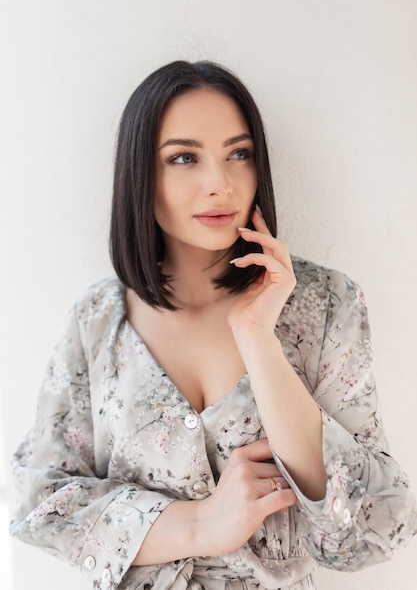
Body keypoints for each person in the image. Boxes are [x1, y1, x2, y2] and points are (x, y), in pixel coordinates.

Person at [9, 60, 417, 590]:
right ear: (141, 175)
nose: (220, 184)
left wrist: (257, 339)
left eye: (238, 154)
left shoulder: (325, 304)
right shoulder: (98, 319)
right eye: (183, 158)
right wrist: (198, 524)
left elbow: (372, 526)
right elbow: (39, 502)